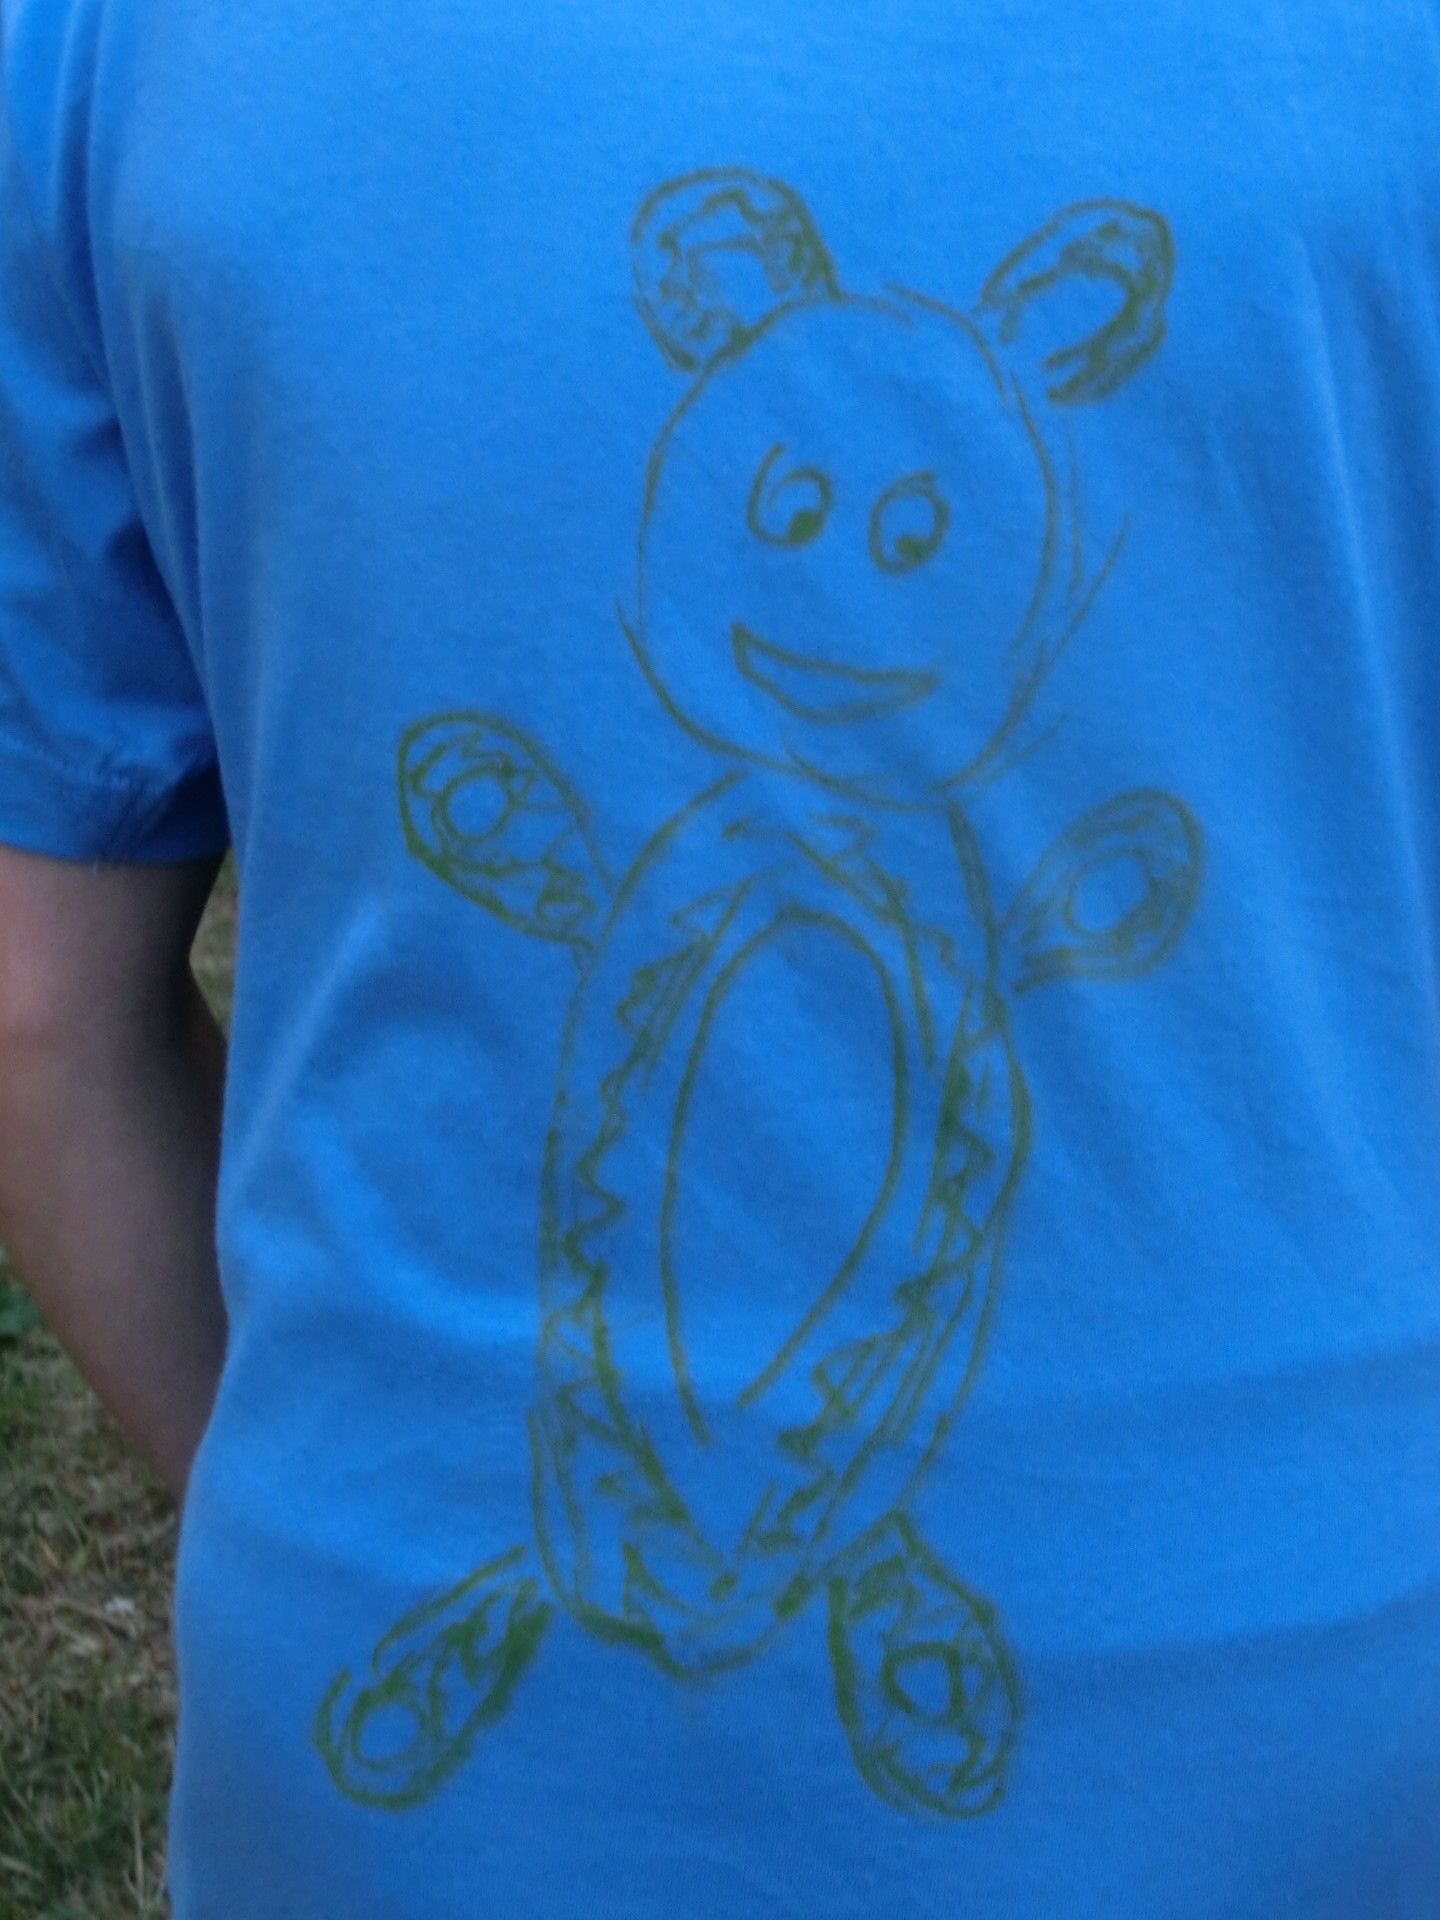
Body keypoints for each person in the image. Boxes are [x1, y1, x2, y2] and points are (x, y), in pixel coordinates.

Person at [1, 0, 1437, 1913]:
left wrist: (365, 1480)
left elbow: (40, 1013)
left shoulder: (116, 44)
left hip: (410, 1741)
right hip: (1302, 1715)